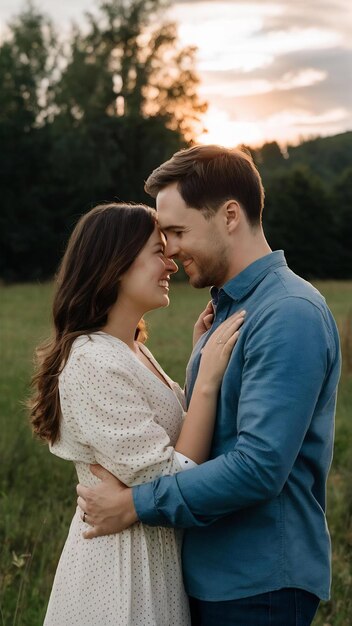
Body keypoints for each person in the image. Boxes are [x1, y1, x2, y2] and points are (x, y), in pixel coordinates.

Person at [77, 146, 341, 626]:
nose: (171, 249)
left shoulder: (287, 313)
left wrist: (134, 505)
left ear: (230, 216)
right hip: (211, 575)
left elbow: (259, 467)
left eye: (177, 232)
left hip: (258, 580)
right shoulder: (227, 310)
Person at [28, 202, 245, 626]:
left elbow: (176, 436)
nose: (173, 265)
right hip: (121, 576)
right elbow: (172, 478)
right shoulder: (92, 360)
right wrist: (206, 383)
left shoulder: (130, 350)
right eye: (158, 251)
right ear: (116, 264)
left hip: (153, 560)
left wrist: (198, 356)